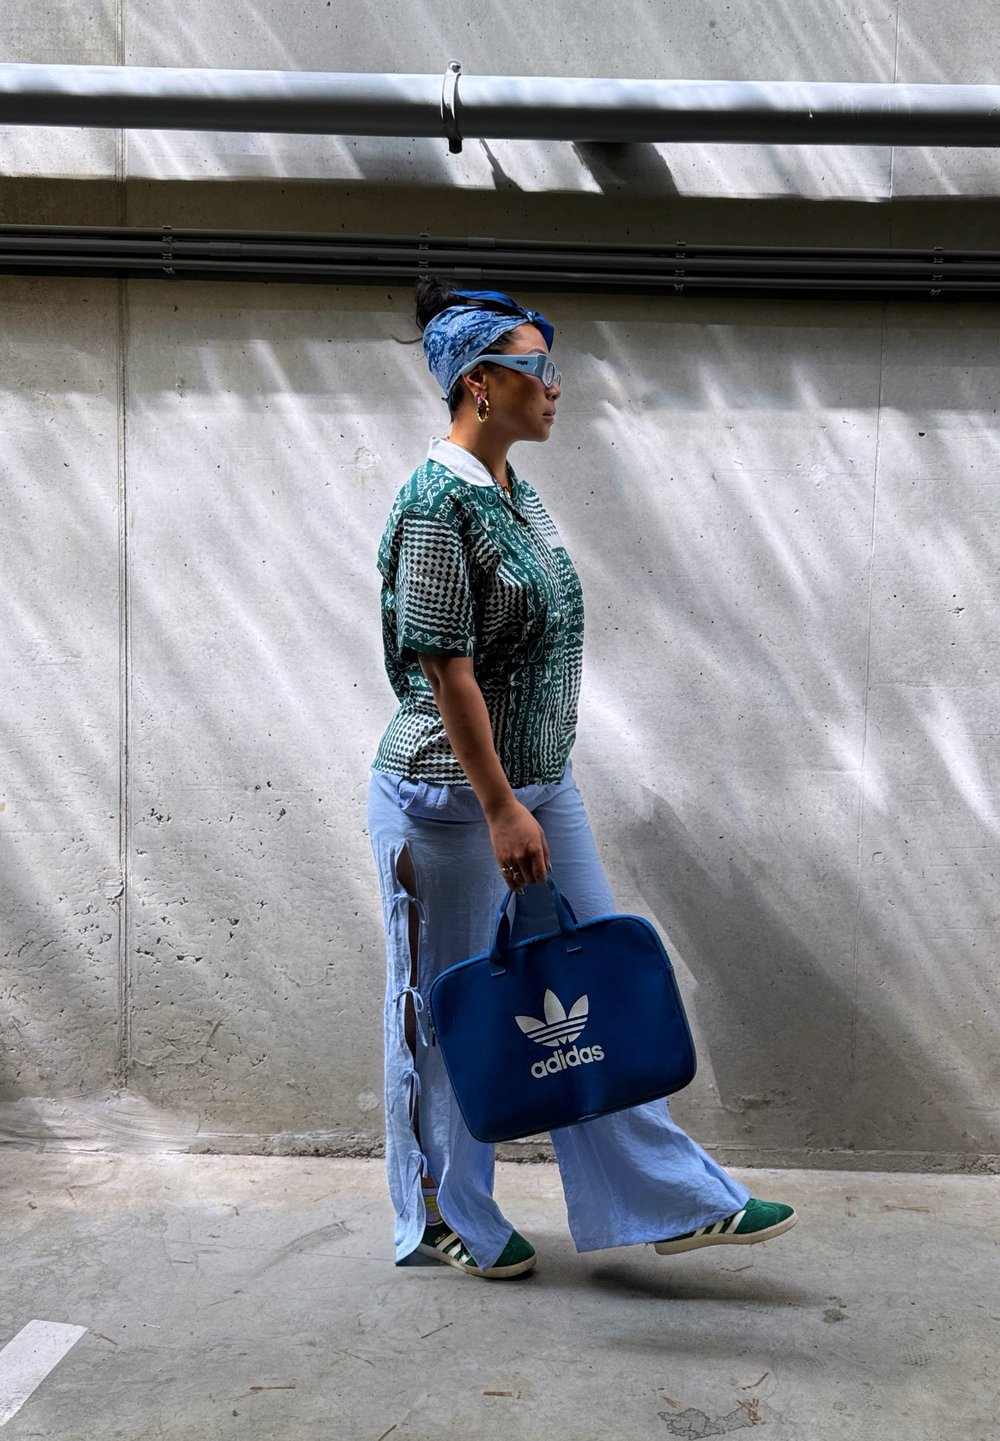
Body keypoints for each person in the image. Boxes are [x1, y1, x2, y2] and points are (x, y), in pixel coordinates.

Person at [367, 278, 797, 1278]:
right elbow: (446, 670)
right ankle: (444, 1215)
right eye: (537, 369)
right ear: (480, 384)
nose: (556, 386)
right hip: (453, 801)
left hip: (537, 787)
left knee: (588, 997)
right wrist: (499, 803)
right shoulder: (435, 501)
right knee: (449, 1016)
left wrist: (531, 789)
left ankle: (663, 1200)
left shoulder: (512, 487)